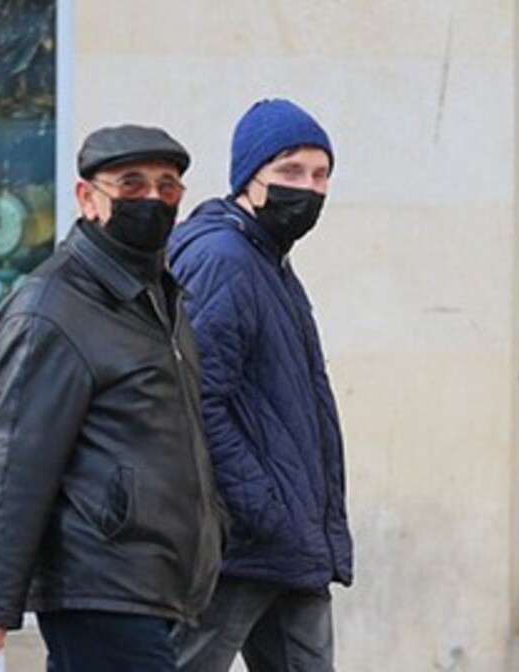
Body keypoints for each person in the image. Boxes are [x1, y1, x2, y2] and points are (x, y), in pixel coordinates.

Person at [0, 124, 228, 671]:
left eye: (167, 187)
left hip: (154, 585)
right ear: (88, 198)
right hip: (101, 584)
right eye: (131, 185)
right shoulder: (53, 307)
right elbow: (15, 458)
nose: (152, 199)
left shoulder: (158, 298)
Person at [167, 98, 353, 672]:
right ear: (249, 177)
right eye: (290, 171)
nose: (309, 189)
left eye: (320, 175)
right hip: (244, 547)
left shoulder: (267, 258)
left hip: (286, 542)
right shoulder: (225, 260)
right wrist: (262, 508)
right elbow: (194, 400)